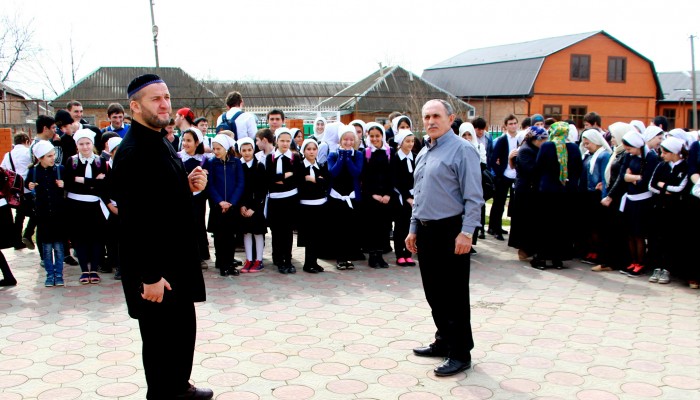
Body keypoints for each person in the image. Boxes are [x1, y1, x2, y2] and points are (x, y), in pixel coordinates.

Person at [110, 74, 212, 399]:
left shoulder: (160, 140)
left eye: (166, 97)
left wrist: (186, 186)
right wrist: (150, 277)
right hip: (156, 274)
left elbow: (158, 198)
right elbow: (134, 222)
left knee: (180, 337)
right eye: (155, 99)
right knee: (161, 347)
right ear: (135, 106)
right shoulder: (133, 152)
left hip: (176, 264)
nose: (165, 104)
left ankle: (180, 389)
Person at [406, 99, 483, 377]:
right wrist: (413, 227)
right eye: (426, 117)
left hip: (452, 231)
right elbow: (419, 194)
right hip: (426, 231)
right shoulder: (424, 151)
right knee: (434, 292)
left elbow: (474, 196)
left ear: (451, 119)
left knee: (454, 296)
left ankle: (460, 353)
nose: (431, 121)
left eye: (436, 116)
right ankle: (443, 341)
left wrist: (467, 232)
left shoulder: (463, 150)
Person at [530, 122, 583, 269]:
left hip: (547, 192)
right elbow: (578, 169)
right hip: (566, 192)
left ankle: (541, 258)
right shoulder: (574, 148)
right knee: (561, 225)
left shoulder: (547, 146)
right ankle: (558, 259)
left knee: (545, 225)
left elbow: (538, 167)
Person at [64, 129, 109, 284]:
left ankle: (94, 269)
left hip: (95, 205)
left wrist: (82, 180)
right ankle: (84, 270)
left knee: (96, 238)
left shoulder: (100, 161)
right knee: (79, 238)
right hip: (76, 205)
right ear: (77, 145)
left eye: (87, 143)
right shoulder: (72, 161)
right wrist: (93, 182)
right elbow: (69, 183)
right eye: (81, 144)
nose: (85, 147)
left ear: (92, 144)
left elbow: (103, 184)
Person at [648, 137, 688, 285]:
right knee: (657, 238)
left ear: (674, 152)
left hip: (674, 209)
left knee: (670, 238)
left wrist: (663, 186)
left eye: (665, 152)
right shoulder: (661, 166)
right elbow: (651, 185)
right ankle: (657, 266)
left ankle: (667, 268)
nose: (662, 155)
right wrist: (665, 190)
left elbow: (680, 188)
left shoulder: (684, 167)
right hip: (659, 207)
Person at [26, 141, 66, 287]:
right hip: (43, 216)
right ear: (40, 158)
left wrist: (63, 185)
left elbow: (69, 185)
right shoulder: (33, 171)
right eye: (49, 156)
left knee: (59, 247)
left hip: (58, 215)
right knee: (47, 248)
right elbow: (26, 184)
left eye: (53, 155)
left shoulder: (60, 169)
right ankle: (50, 275)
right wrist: (29, 185)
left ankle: (59, 274)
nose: (53, 158)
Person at [205, 133, 244, 277]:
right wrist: (219, 201)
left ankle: (229, 262)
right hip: (218, 207)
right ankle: (222, 264)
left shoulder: (236, 162)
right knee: (220, 236)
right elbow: (210, 184)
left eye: (218, 148)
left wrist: (232, 202)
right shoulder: (211, 163)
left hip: (232, 206)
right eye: (214, 148)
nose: (215, 151)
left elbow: (240, 183)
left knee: (231, 236)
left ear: (226, 148)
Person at [265, 128, 304, 273]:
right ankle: (278, 258)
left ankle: (287, 259)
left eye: (288, 141)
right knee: (276, 231)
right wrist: (284, 176)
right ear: (276, 141)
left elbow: (297, 178)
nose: (285, 143)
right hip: (275, 201)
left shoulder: (295, 158)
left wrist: (281, 179)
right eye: (282, 140)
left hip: (290, 200)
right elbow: (269, 179)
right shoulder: (270, 158)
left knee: (288, 231)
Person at [327, 125, 364, 269]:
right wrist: (342, 157)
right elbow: (333, 172)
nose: (348, 142)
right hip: (336, 197)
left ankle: (349, 257)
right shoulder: (333, 155)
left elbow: (356, 172)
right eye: (345, 139)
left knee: (350, 228)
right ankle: (340, 258)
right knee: (338, 229)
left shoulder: (358, 155)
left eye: (351, 139)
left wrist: (348, 158)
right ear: (340, 140)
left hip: (352, 197)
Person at [508, 126, 548, 261]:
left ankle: (530, 248)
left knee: (531, 220)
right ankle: (524, 249)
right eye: (543, 139)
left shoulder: (535, 149)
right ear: (536, 139)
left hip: (531, 190)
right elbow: (531, 170)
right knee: (524, 220)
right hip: (525, 191)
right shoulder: (526, 150)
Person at [362, 122, 393, 268]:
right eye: (372, 136)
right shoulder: (366, 153)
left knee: (384, 227)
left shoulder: (389, 152)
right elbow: (364, 177)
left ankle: (380, 255)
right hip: (371, 198)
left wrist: (388, 194)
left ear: (382, 136)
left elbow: (393, 175)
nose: (374, 139)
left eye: (377, 136)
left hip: (386, 198)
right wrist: (372, 194)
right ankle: (372, 256)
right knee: (372, 227)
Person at [178, 128, 210, 269]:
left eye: (189, 140)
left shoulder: (203, 159)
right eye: (184, 140)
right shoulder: (178, 157)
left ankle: (200, 256)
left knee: (198, 224)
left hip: (198, 198)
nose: (185, 143)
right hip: (182, 196)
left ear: (197, 142)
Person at [297, 138, 328, 273]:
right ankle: (308, 263)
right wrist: (318, 181)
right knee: (309, 237)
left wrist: (312, 179)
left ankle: (314, 262)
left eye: (314, 149)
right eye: (308, 149)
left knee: (317, 236)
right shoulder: (300, 167)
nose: (311, 152)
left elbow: (325, 183)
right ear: (303, 151)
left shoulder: (321, 166)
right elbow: (300, 184)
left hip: (320, 206)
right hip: (306, 207)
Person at [237, 137, 267, 273]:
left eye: (249, 150)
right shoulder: (239, 166)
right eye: (244, 150)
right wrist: (242, 206)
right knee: (247, 232)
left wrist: (254, 208)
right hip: (244, 206)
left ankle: (258, 260)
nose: (247, 153)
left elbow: (262, 189)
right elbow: (239, 188)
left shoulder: (259, 166)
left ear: (253, 150)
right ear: (240, 151)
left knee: (258, 233)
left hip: (256, 206)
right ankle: (249, 259)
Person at [488, 114, 519, 240]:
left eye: (515, 123)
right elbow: (493, 158)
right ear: (506, 126)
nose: (513, 126)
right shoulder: (502, 140)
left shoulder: (520, 138)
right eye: (510, 124)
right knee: (499, 203)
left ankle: (499, 228)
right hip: (504, 175)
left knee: (513, 204)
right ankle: (495, 228)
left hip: (516, 175)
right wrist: (500, 173)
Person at [2, 132, 33, 250]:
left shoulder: (8, 155)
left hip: (16, 191)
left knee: (20, 216)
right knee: (36, 213)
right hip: (28, 188)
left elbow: (3, 169)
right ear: (26, 141)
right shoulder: (28, 152)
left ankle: (17, 241)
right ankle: (28, 234)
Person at [391, 129, 416, 266]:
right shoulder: (395, 158)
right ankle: (399, 254)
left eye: (412, 141)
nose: (410, 144)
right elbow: (396, 180)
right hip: (400, 198)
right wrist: (407, 197)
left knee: (411, 227)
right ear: (401, 143)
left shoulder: (415, 157)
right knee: (400, 227)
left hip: (414, 197)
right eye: (407, 141)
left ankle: (408, 254)